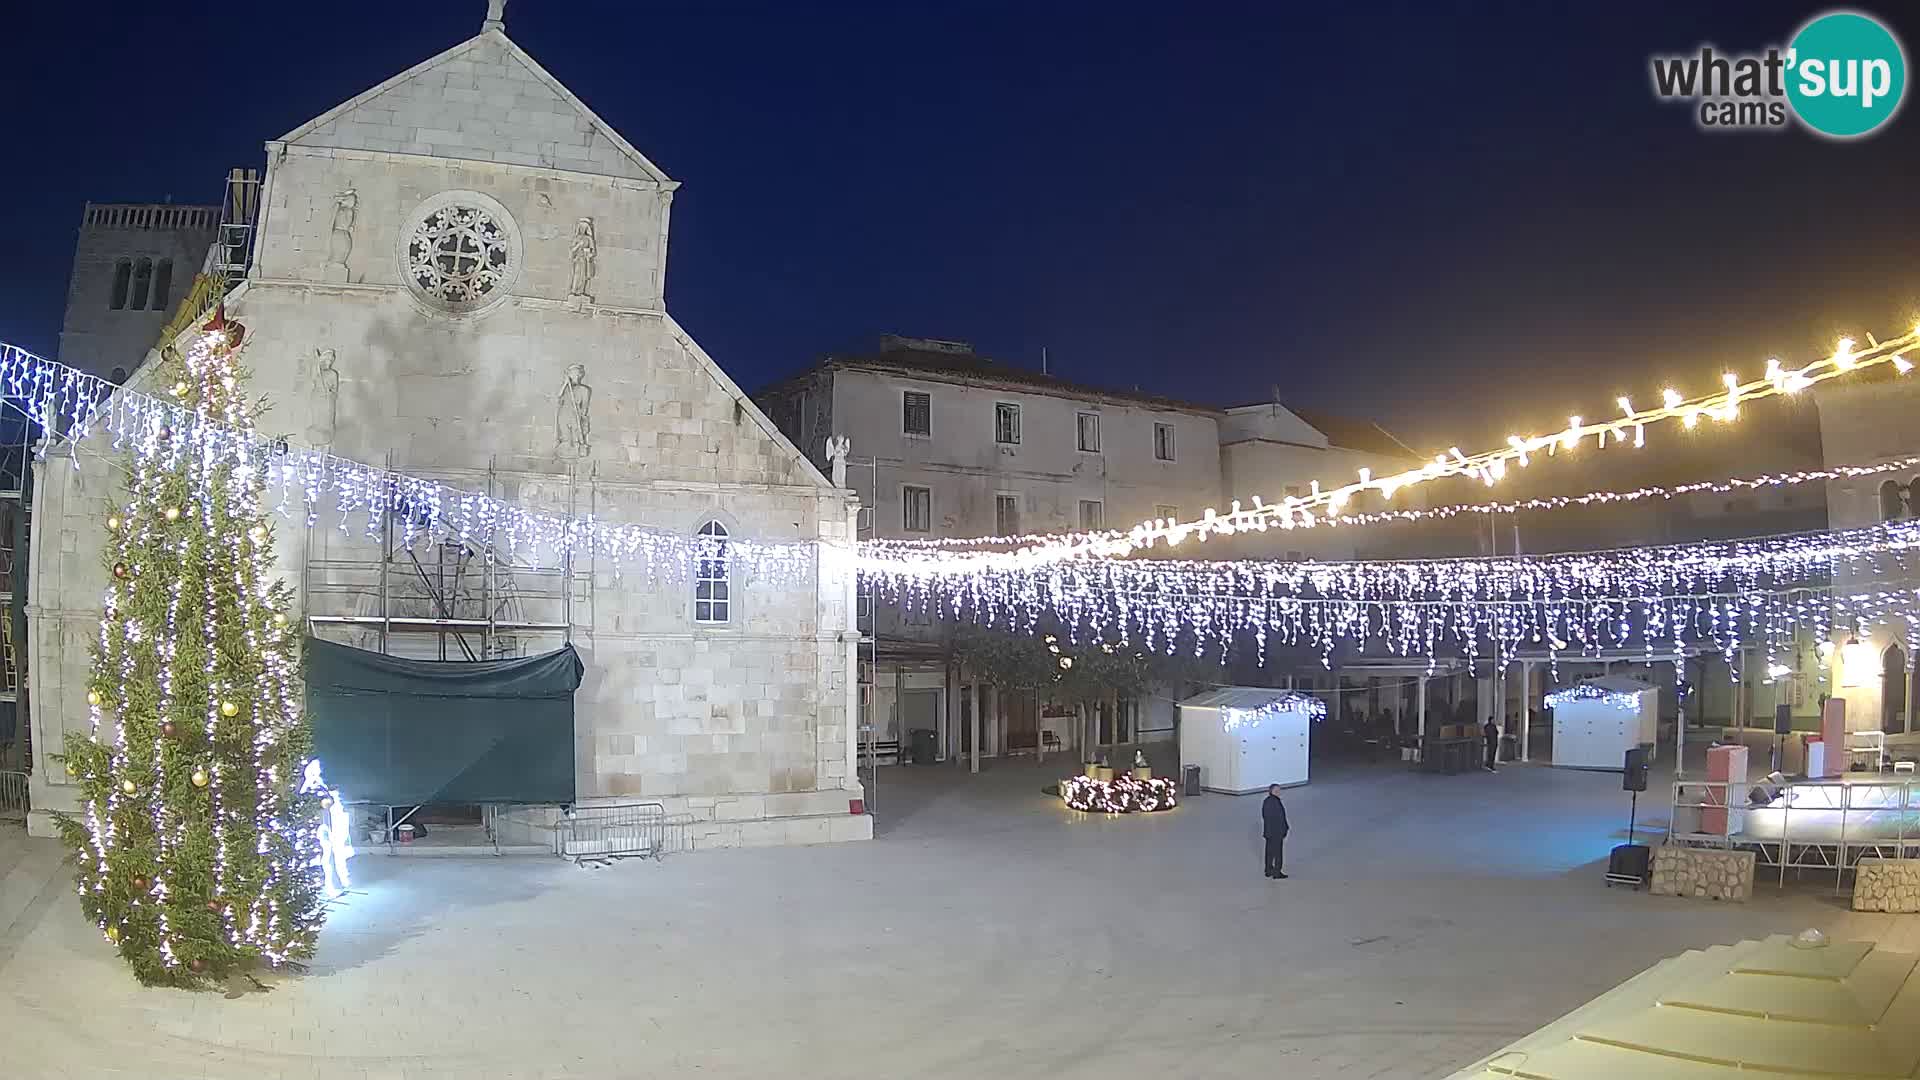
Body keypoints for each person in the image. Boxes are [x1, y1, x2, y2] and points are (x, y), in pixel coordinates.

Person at [1261, 784, 1289, 879]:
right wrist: (1284, 829)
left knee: (1269, 852)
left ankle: (1268, 870)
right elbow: (1280, 818)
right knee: (1278, 853)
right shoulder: (1276, 802)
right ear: (1272, 791)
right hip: (1276, 833)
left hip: (1268, 832)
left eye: (1279, 790)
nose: (1279, 792)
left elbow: (1265, 816)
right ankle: (1277, 872)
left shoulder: (1266, 801)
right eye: (1277, 790)